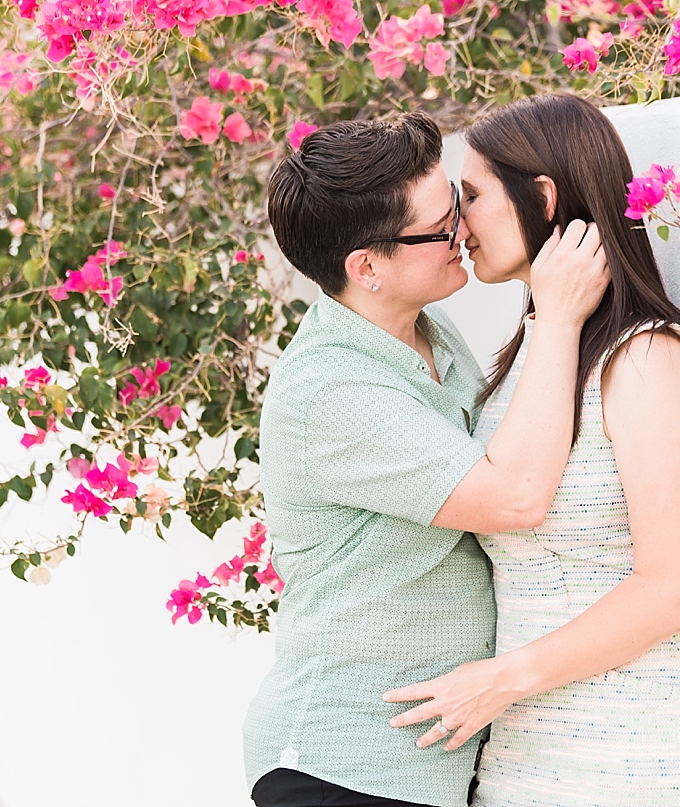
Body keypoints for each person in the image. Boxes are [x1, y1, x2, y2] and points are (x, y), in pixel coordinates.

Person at [383, 94, 680, 806]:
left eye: (473, 195)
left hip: (643, 746)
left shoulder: (641, 354)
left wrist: (501, 677)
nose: (458, 222)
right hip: (528, 744)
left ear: (542, 197)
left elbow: (677, 586)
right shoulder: (537, 345)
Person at [244, 112, 608, 807]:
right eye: (440, 228)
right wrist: (557, 316)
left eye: (458, 206)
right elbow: (515, 498)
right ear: (367, 267)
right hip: (345, 765)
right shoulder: (334, 390)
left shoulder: (429, 335)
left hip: (425, 764)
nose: (462, 234)